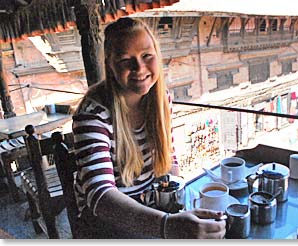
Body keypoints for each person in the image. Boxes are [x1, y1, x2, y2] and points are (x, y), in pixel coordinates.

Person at [72, 17, 226, 239]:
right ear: (110, 65)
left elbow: (168, 160)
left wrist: (176, 202)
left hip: (150, 205)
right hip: (105, 221)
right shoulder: (92, 115)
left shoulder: (161, 99)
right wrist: (168, 225)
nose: (139, 68)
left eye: (147, 56)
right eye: (126, 60)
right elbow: (100, 196)